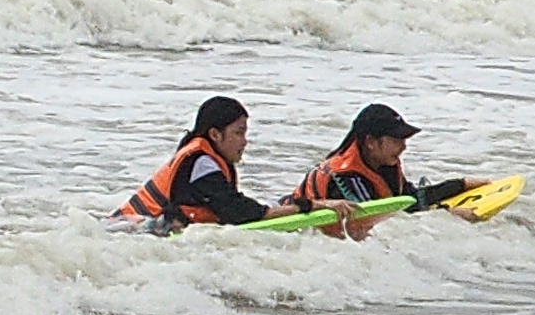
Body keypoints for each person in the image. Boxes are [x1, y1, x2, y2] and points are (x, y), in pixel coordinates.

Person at [283, 104, 482, 239]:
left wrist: (460, 185)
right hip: (293, 230)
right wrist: (448, 215)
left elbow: (412, 199)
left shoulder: (384, 164)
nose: (404, 147)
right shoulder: (344, 177)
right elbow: (381, 222)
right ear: (370, 142)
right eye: (396, 140)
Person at [116, 94, 276, 231]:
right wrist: (281, 211)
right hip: (131, 229)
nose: (244, 141)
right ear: (215, 134)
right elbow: (234, 209)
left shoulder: (202, 156)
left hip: (131, 227)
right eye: (239, 133)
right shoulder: (201, 162)